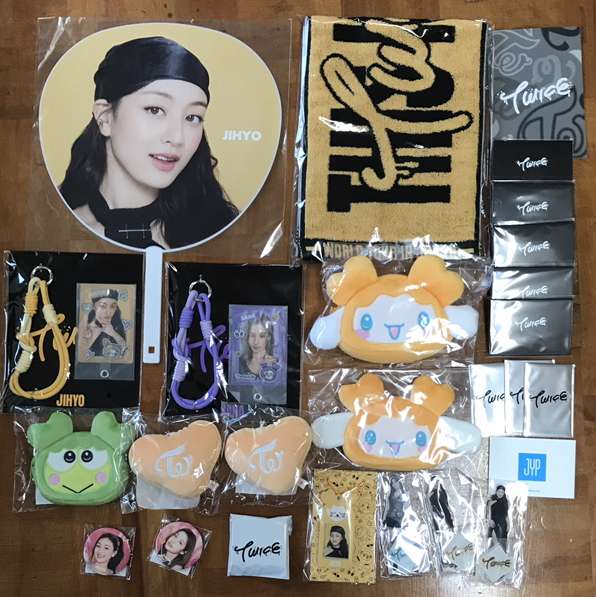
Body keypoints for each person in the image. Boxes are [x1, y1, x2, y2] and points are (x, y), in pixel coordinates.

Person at [60, 36, 238, 249]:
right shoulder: (54, 232)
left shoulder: (222, 236)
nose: (177, 138)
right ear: (104, 118)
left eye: (192, 117)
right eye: (155, 110)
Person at [81, 288, 128, 358]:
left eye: (113, 306)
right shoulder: (86, 326)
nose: (108, 312)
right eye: (103, 306)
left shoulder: (117, 326)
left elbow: (127, 354)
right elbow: (79, 355)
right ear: (94, 307)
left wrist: (113, 333)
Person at [487, 485, 509, 551]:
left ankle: (503, 553)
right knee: (491, 540)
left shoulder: (505, 501)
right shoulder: (492, 500)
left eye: (502, 492)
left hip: (503, 523)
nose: (500, 493)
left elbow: (506, 515)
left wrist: (508, 524)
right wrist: (490, 520)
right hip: (493, 522)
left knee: (502, 541)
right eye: (499, 491)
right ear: (496, 491)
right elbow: (488, 511)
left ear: (504, 493)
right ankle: (491, 553)